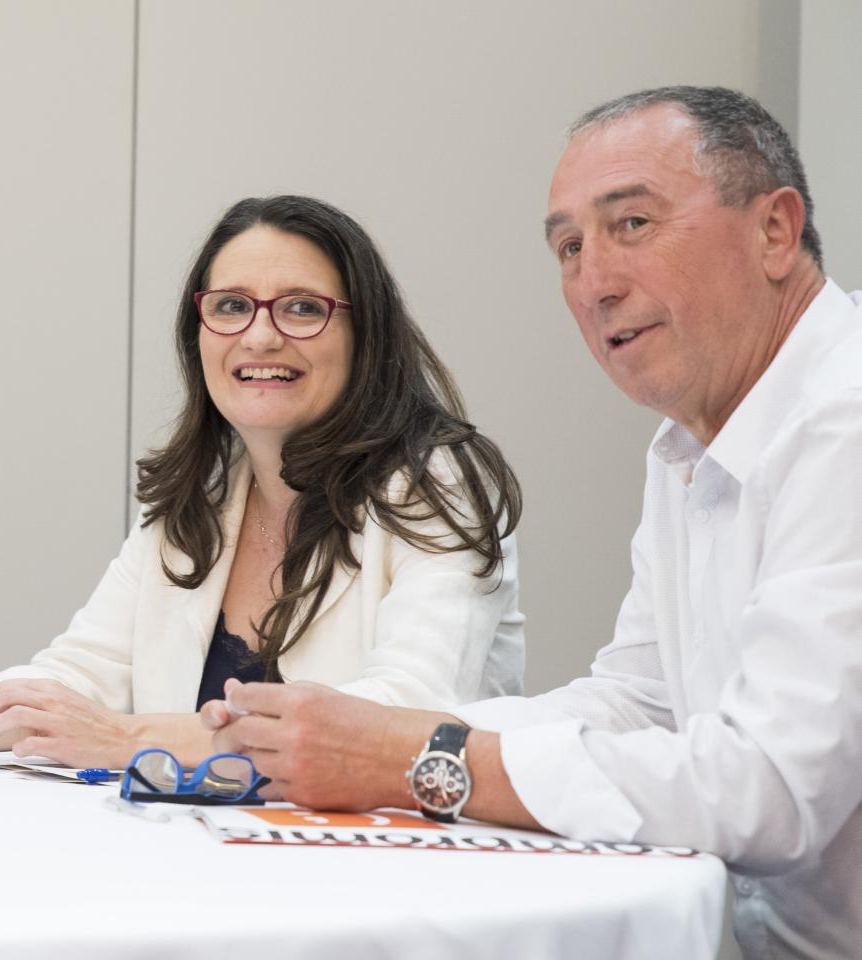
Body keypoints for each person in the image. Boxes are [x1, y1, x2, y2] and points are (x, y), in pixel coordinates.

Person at [201, 86, 860, 959]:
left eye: (632, 225)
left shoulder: (845, 422)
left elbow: (769, 789)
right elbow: (640, 701)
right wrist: (409, 740)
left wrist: (421, 761)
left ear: (775, 230)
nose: (594, 283)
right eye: (569, 246)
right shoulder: (689, 442)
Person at [0, 195, 525, 768]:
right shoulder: (199, 501)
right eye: (232, 305)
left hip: (385, 880)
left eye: (300, 308)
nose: (260, 336)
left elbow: (406, 713)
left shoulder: (440, 483)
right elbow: (82, 676)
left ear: (365, 336)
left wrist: (128, 739)